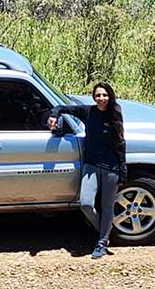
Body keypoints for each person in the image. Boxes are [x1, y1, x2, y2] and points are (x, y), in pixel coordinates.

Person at [47, 82, 127, 259]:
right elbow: (62, 107)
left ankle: (102, 242)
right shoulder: (88, 112)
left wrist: (122, 170)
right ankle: (105, 232)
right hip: (90, 166)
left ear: (110, 96)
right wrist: (54, 115)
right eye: (98, 95)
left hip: (111, 168)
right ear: (93, 96)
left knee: (107, 207)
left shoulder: (115, 113)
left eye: (104, 95)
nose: (101, 98)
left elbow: (121, 143)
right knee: (86, 203)